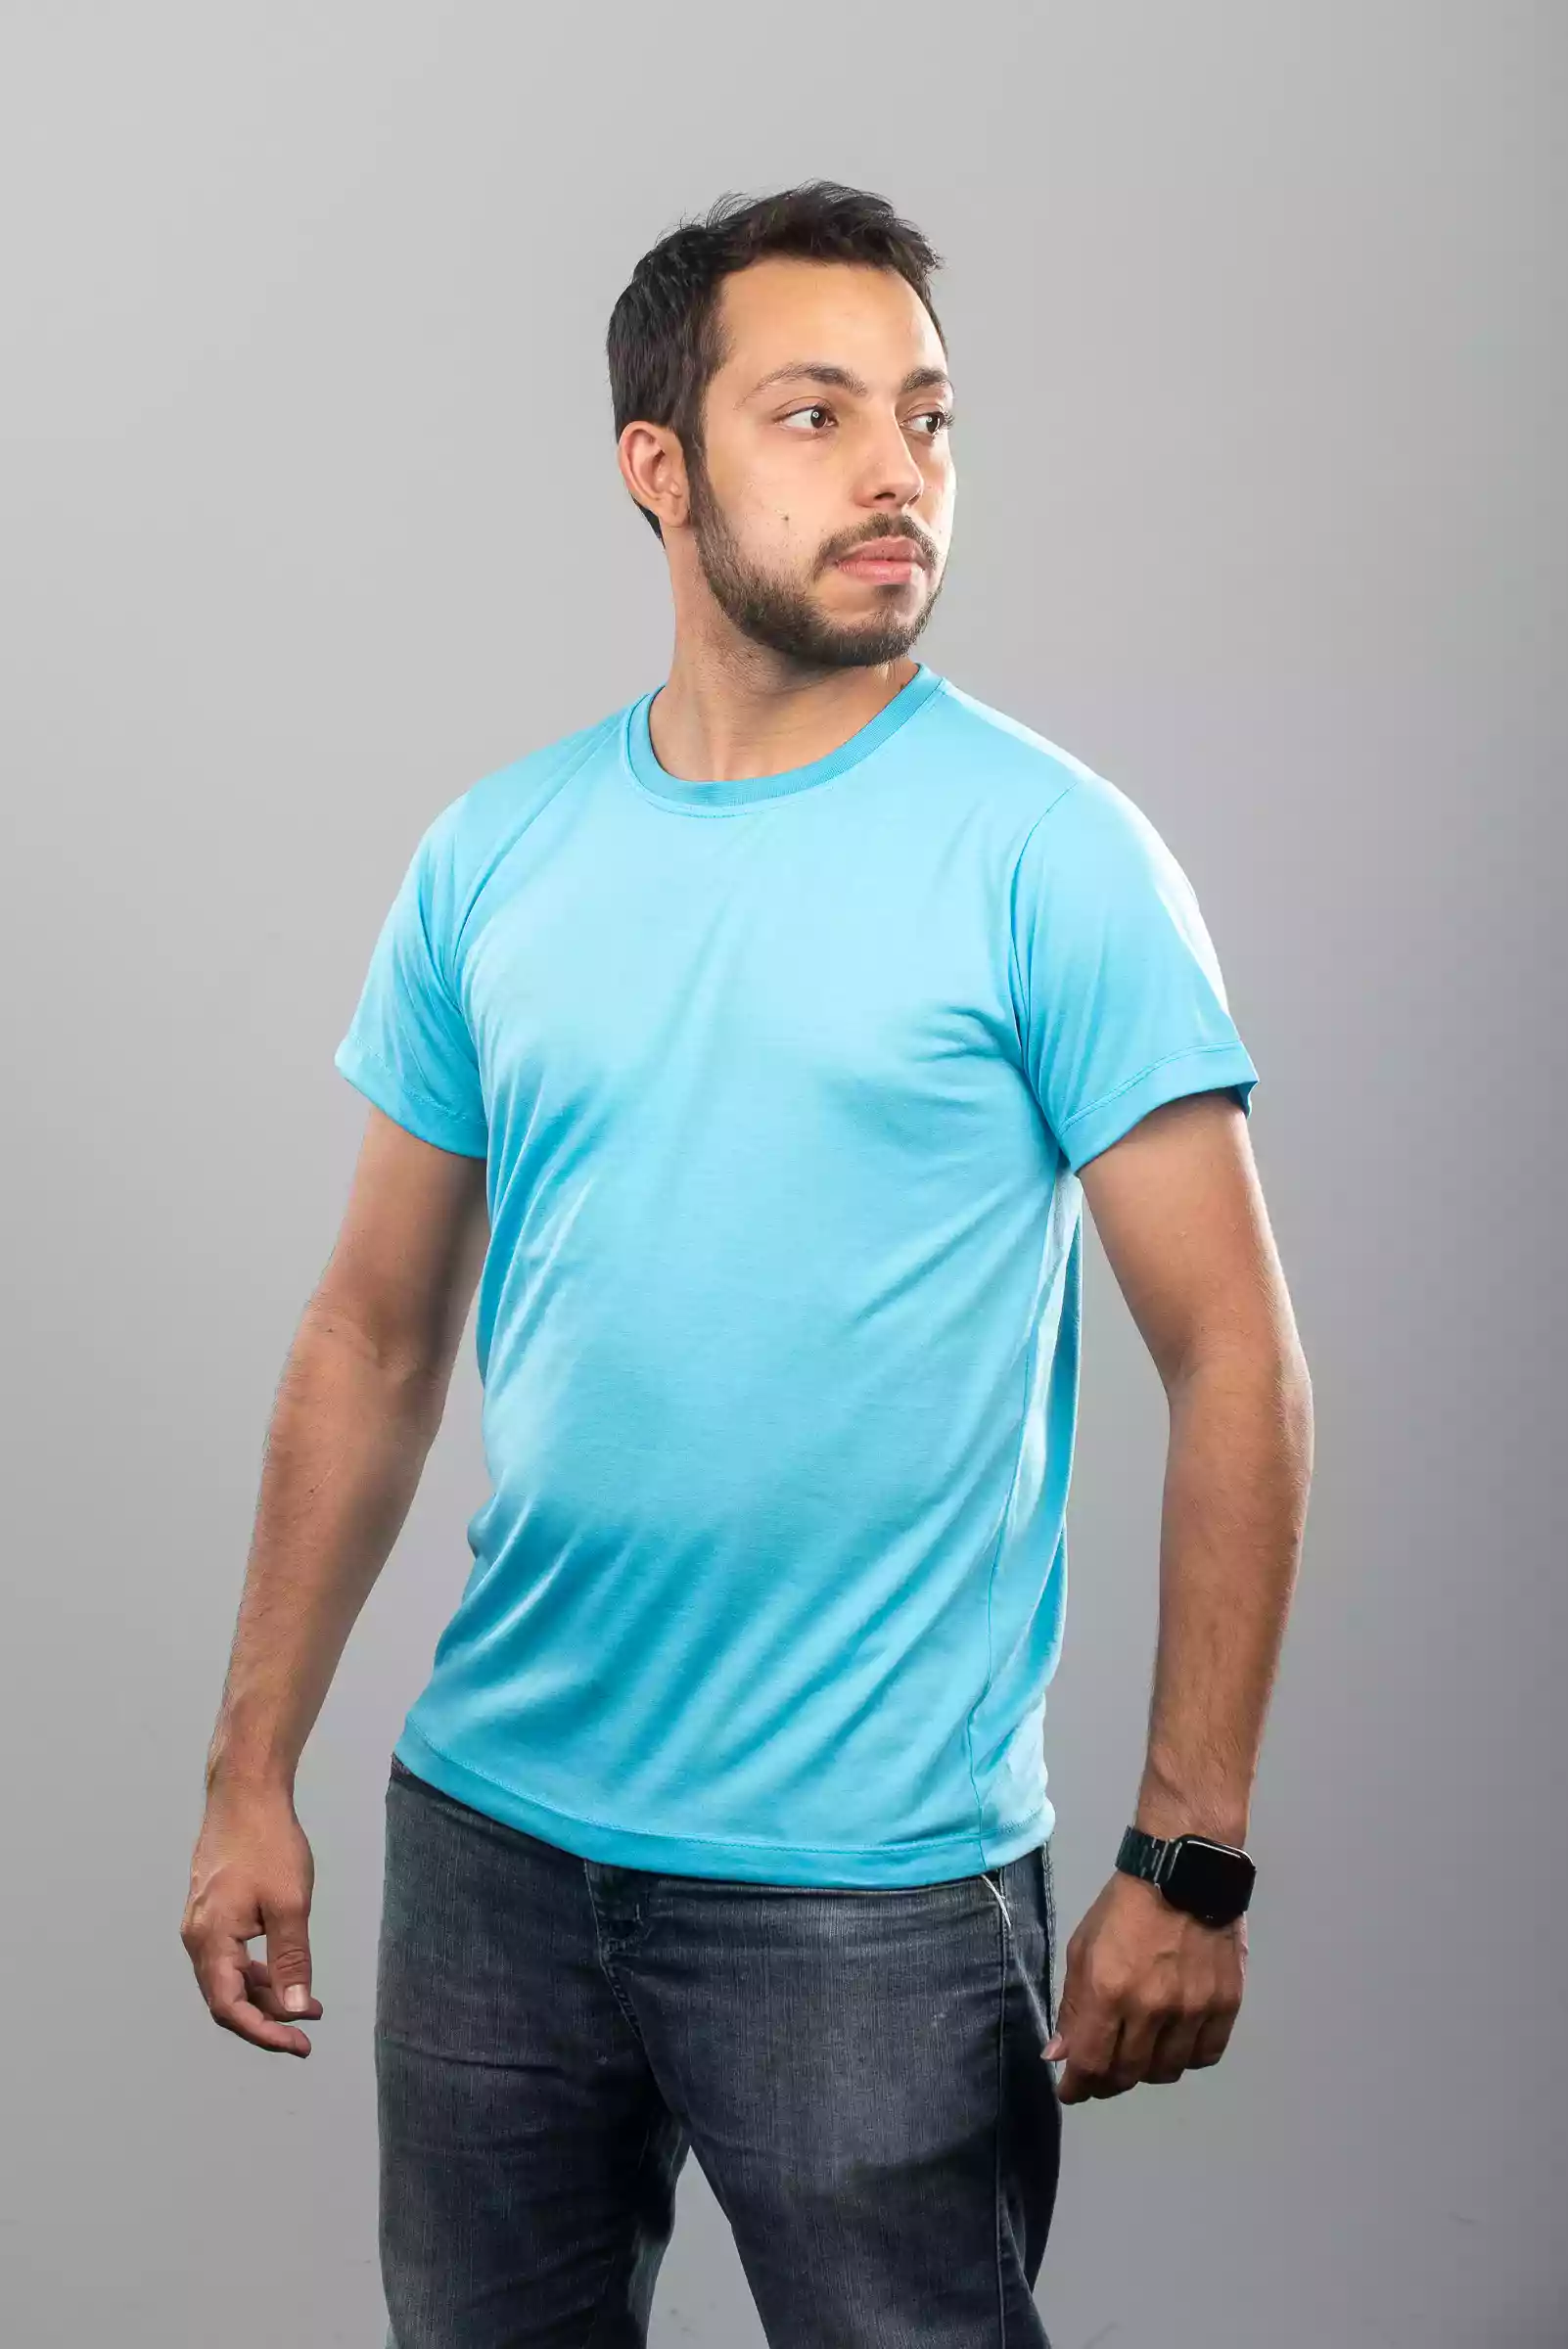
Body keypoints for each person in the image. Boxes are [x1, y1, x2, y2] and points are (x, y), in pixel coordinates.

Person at [181, 181, 1314, 2348]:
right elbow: (372, 1334)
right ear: (661, 468)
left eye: (927, 416)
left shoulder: (1053, 857)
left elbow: (1237, 1360)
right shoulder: (494, 853)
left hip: (870, 1898)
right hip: (493, 1851)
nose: (898, 471)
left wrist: (1189, 1856)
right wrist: (250, 1771)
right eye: (816, 414)